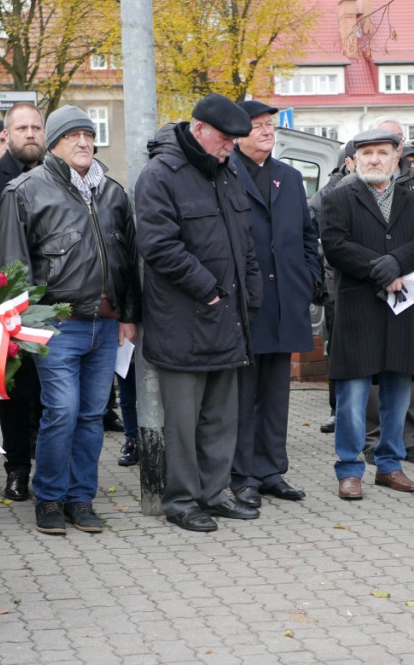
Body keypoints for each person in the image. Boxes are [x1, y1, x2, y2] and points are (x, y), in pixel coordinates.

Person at [0, 105, 141, 534]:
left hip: (106, 324)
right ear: (53, 143)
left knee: (92, 415)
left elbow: (130, 262)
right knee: (62, 410)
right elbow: (12, 265)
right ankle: (50, 498)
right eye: (72, 135)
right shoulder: (25, 191)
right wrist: (22, 324)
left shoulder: (113, 193)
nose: (83, 142)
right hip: (56, 325)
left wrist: (128, 316)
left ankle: (81, 498)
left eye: (89, 135)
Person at [134, 94, 263, 532]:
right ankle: (182, 500)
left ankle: (213, 492)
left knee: (221, 417)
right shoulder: (160, 175)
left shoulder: (226, 172)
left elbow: (243, 240)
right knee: (183, 422)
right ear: (200, 129)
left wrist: (252, 291)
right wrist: (208, 290)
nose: (230, 148)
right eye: (225, 139)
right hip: (184, 320)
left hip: (228, 317)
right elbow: (158, 246)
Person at [321, 128, 414, 501]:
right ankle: (349, 469)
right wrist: (382, 270)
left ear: (397, 157)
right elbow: (336, 245)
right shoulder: (338, 198)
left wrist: (395, 263)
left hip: (402, 310)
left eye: (382, 152)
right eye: (367, 153)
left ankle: (390, 465)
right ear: (355, 159)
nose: (374, 159)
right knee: (354, 396)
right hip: (358, 307)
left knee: (398, 393)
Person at [229, 100, 322, 508]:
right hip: (245, 305)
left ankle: (271, 471)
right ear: (236, 134)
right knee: (242, 395)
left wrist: (308, 279)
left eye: (270, 125)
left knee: (276, 393)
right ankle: (242, 474)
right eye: (257, 126)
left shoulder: (288, 176)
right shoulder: (225, 173)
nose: (267, 132)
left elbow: (306, 235)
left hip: (285, 300)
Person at [0, 102, 47, 500]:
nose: (30, 134)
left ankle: (51, 465)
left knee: (49, 391)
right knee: (16, 392)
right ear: (6, 134)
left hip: (55, 300)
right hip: (7, 305)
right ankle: (17, 468)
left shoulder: (60, 177)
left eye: (36, 127)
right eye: (21, 127)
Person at [308, 141, 355, 434]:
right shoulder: (325, 197)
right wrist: (321, 286)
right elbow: (308, 241)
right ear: (349, 162)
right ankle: (337, 410)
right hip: (336, 284)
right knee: (337, 349)